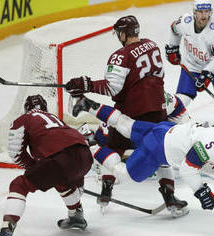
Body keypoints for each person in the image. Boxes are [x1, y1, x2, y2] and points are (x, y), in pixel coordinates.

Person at [72, 95, 214, 214]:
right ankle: (89, 145)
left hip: (167, 131)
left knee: (126, 125)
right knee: (126, 174)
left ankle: (88, 104)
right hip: (158, 147)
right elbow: (187, 169)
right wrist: (202, 193)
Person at [65, 16, 186, 213]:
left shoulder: (120, 56)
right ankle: (169, 196)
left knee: (112, 147)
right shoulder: (151, 45)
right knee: (161, 154)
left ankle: (106, 189)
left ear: (123, 33)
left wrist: (85, 84)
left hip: (132, 114)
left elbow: (112, 88)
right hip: (157, 110)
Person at [0, 95, 93, 236]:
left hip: (61, 160)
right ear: (45, 108)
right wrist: (76, 179)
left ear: (26, 109)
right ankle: (76, 215)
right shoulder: (55, 118)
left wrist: (34, 168)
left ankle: (6, 233)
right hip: (85, 156)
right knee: (61, 179)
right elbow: (72, 146)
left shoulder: (23, 119)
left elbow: (15, 153)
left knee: (19, 185)